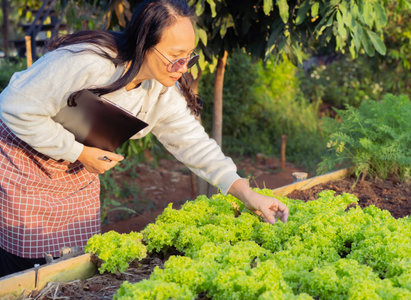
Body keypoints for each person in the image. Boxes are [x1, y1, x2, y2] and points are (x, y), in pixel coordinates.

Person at [0, 0, 288, 277]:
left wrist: (247, 193)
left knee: (74, 262)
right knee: (27, 268)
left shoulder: (160, 91)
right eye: (175, 57)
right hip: (24, 162)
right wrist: (79, 152)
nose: (184, 67)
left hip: (76, 170)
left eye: (189, 56)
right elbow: (14, 107)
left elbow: (193, 143)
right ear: (144, 44)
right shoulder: (88, 62)